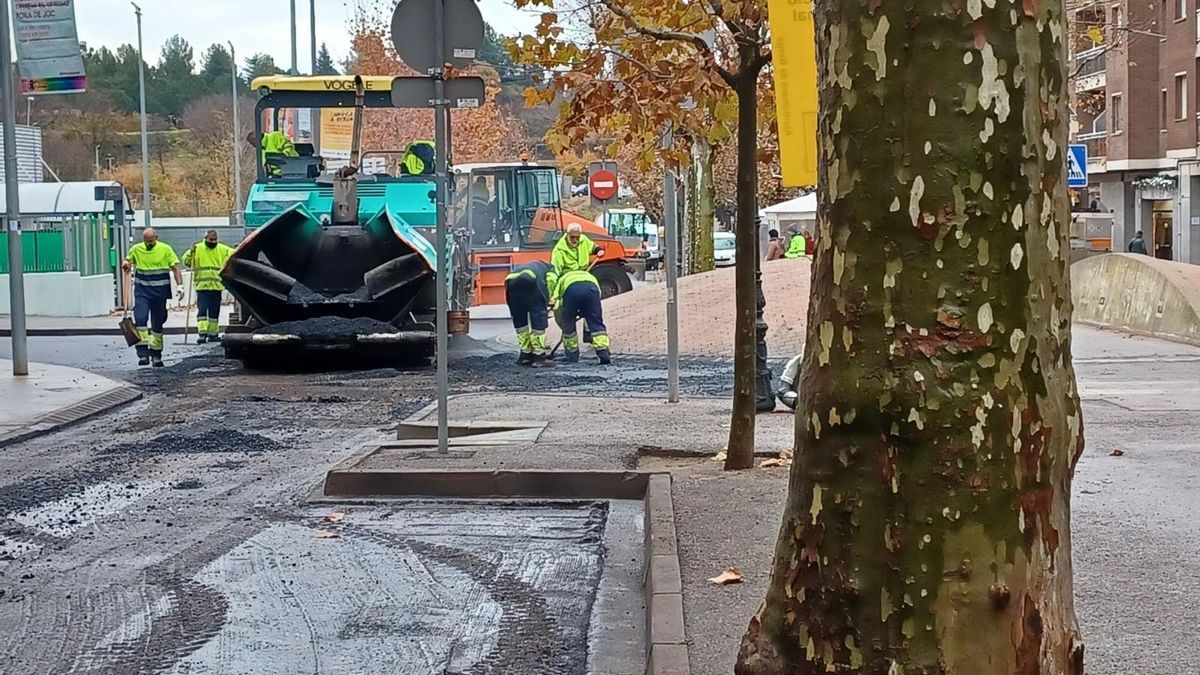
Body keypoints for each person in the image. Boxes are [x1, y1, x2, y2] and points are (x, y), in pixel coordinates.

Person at [122, 228, 183, 367]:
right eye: (146, 241)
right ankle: (143, 353)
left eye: (151, 241)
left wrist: (180, 285)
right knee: (141, 319)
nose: (148, 244)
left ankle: (156, 355)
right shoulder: (136, 249)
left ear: (156, 237)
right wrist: (126, 263)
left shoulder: (166, 249)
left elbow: (175, 268)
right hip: (142, 291)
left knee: (157, 323)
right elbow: (128, 260)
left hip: (160, 292)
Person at [183, 230, 235, 344]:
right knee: (202, 309)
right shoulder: (197, 248)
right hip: (202, 286)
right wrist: (190, 253)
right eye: (211, 240)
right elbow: (186, 262)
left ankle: (213, 334)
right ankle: (202, 333)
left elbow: (234, 254)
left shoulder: (222, 249)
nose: (214, 241)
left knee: (214, 311)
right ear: (205, 238)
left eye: (215, 239)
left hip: (216, 286)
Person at [552, 267, 610, 365]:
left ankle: (572, 355)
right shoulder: (590, 276)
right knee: (596, 323)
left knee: (569, 325)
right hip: (591, 291)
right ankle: (603, 353)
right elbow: (597, 296)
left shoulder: (563, 278)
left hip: (571, 292)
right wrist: (587, 313)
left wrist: (565, 320)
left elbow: (555, 301)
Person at [505, 260, 553, 366]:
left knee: (520, 320)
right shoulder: (550, 269)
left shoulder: (532, 265)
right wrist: (549, 299)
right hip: (530, 281)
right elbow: (550, 283)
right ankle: (539, 357)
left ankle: (525, 355)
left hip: (510, 281)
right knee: (538, 319)